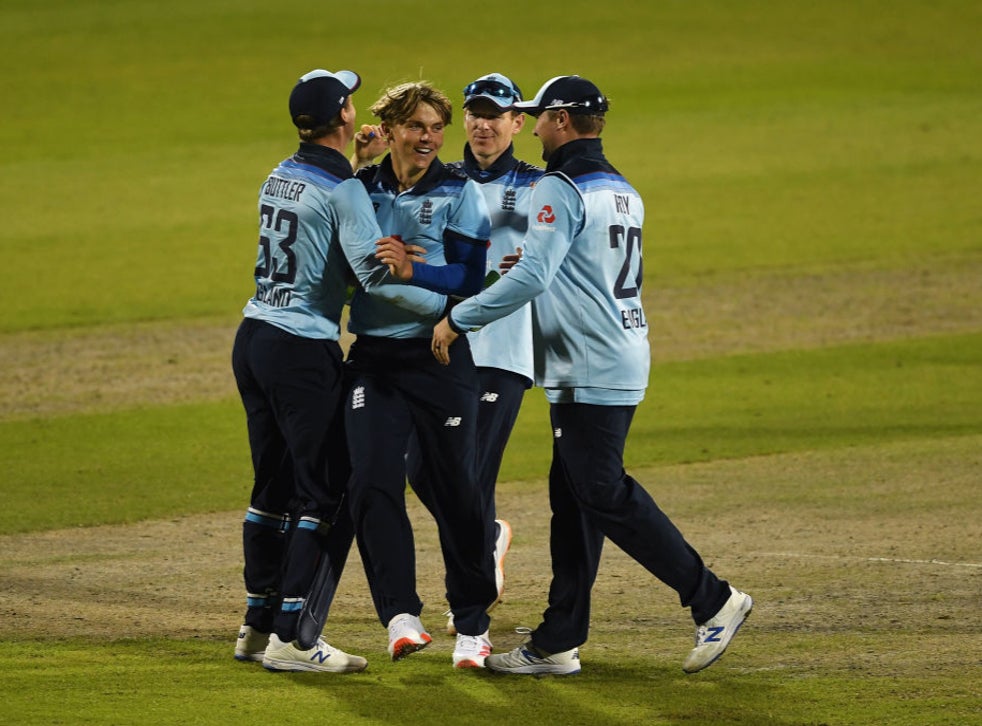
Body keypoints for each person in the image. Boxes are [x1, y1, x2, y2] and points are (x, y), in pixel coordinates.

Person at [430, 75, 753, 675]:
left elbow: (533, 278)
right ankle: (559, 640)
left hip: (590, 364)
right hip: (616, 351)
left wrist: (461, 319)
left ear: (559, 121)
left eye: (540, 117)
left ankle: (712, 598)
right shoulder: (622, 188)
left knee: (600, 490)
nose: (534, 125)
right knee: (574, 498)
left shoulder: (562, 185)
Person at [231, 68, 449, 673]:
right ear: (346, 115)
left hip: (254, 338)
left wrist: (354, 168)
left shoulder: (282, 173)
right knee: (326, 491)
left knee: (271, 487)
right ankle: (294, 638)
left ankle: (255, 623)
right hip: (301, 350)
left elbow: (320, 226)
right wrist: (441, 302)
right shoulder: (345, 191)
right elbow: (371, 272)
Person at [344, 81, 498, 669]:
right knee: (371, 481)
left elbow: (470, 279)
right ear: (390, 131)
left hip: (439, 358)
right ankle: (401, 616)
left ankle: (473, 623)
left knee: (457, 490)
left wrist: (413, 269)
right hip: (373, 358)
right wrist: (356, 161)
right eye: (416, 126)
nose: (428, 137)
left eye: (437, 126)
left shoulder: (461, 194)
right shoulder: (361, 188)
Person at [426, 73, 544, 636]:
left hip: (503, 348)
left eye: (495, 114)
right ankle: (486, 537)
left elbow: (561, 261)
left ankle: (467, 602)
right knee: (426, 469)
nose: (482, 123)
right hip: (442, 346)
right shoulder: (440, 180)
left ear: (517, 123)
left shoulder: (542, 186)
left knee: (469, 470)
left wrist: (536, 258)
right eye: (474, 112)